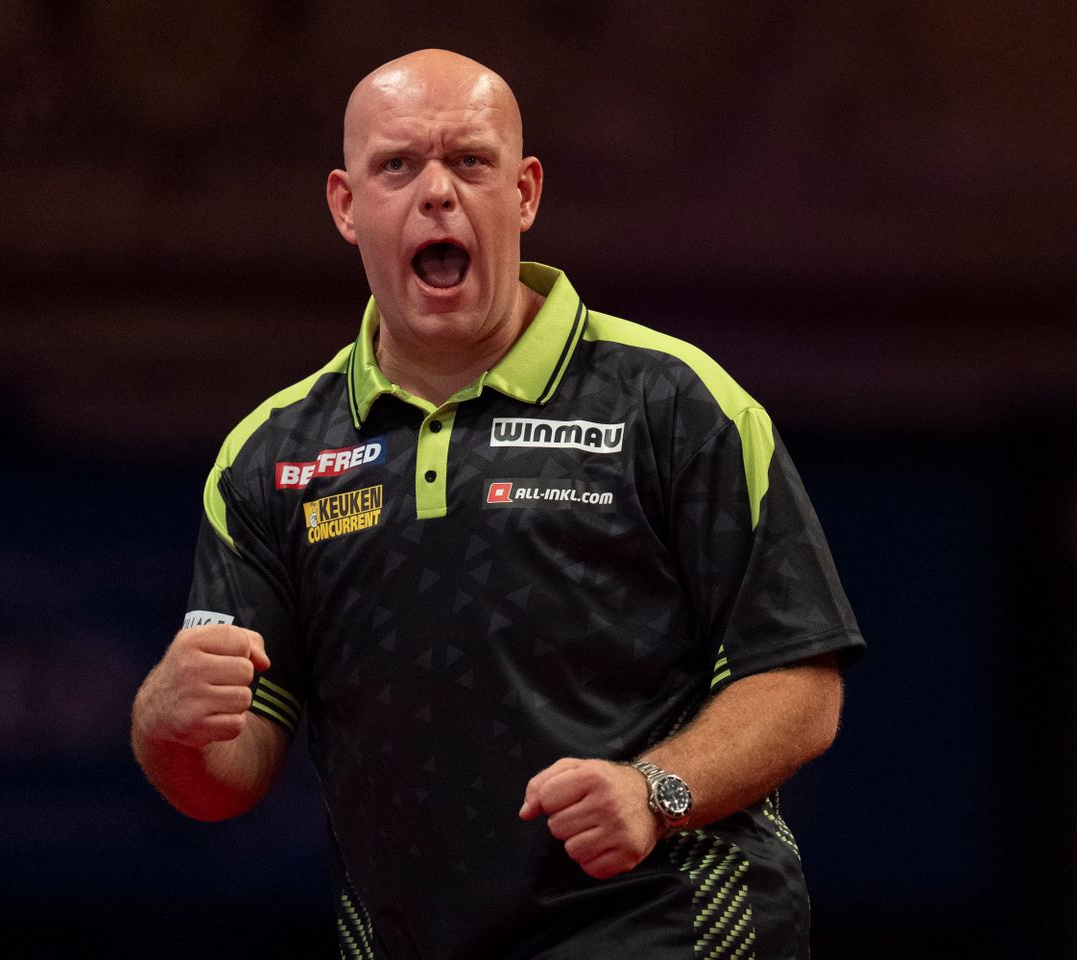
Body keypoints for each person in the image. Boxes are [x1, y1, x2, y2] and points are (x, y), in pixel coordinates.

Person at [131, 48, 864, 960]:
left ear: (524, 192)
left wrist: (653, 789)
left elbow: (801, 683)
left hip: (665, 929)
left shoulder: (673, 402)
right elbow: (223, 782)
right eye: (397, 166)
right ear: (346, 206)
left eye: (469, 162)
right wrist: (166, 721)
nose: (437, 193)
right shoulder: (273, 456)